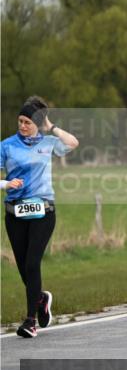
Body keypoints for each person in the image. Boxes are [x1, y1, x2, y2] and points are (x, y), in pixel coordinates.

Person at [1, 96, 78, 338]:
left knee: (32, 263)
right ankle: (41, 297)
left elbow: (73, 143)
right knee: (25, 268)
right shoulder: (7, 145)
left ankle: (30, 321)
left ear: (38, 123)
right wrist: (6, 183)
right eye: (21, 121)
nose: (23, 125)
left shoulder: (48, 142)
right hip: (15, 214)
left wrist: (50, 126)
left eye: (28, 122)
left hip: (43, 213)